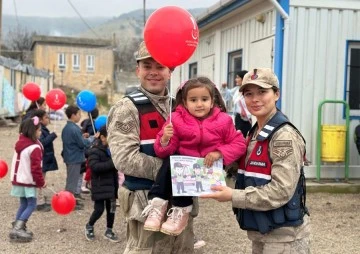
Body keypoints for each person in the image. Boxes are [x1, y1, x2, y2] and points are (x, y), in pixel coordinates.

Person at [201, 68, 311, 253]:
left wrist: (233, 196)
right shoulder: (254, 133)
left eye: (262, 92)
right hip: (263, 232)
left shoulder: (283, 136)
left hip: (284, 237)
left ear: (276, 94)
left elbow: (281, 190)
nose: (255, 99)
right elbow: (247, 169)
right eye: (249, 94)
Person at [107, 41, 197, 253]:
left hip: (179, 206)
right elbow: (124, 159)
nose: (154, 72)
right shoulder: (126, 109)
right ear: (138, 70)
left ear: (170, 71)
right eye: (147, 66)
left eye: (160, 67)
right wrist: (174, 173)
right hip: (145, 203)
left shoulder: (182, 107)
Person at [141, 77, 247, 236]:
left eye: (204, 99)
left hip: (208, 169)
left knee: (176, 163)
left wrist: (219, 153)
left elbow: (239, 144)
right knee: (172, 160)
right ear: (184, 102)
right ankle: (158, 204)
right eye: (193, 100)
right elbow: (163, 152)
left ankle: (182, 208)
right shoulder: (176, 119)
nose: (199, 104)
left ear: (212, 101)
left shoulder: (224, 120)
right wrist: (164, 139)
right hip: (184, 168)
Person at [9, 116, 46, 242]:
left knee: (23, 203)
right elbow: (36, 169)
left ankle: (17, 227)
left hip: (18, 179)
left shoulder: (21, 143)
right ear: (33, 131)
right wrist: (41, 182)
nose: (40, 132)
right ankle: (18, 228)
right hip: (28, 180)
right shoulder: (34, 148)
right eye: (39, 130)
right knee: (31, 204)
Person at [84, 126, 120, 242]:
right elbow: (94, 167)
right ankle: (89, 225)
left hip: (112, 185)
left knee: (112, 209)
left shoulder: (113, 149)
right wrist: (112, 163)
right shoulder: (95, 150)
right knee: (99, 209)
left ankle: (109, 230)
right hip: (100, 185)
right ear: (103, 137)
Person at [61, 105, 94, 210]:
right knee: (72, 182)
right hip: (74, 158)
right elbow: (82, 144)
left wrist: (82, 137)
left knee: (72, 180)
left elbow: (75, 140)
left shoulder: (68, 127)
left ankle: (71, 201)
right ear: (73, 115)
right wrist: (93, 138)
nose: (80, 116)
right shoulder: (74, 128)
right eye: (79, 114)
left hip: (70, 157)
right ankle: (68, 203)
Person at [31, 109, 58, 212]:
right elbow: (42, 142)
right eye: (46, 117)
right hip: (43, 159)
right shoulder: (39, 130)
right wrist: (52, 136)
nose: (48, 119)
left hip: (45, 158)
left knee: (41, 178)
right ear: (40, 120)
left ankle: (40, 198)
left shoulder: (43, 128)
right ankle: (39, 201)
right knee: (39, 180)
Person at [233, 70, 252, 138]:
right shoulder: (237, 90)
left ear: (243, 78)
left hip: (246, 119)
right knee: (238, 137)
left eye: (238, 77)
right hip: (238, 118)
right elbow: (227, 95)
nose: (236, 79)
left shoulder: (248, 91)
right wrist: (224, 88)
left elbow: (250, 104)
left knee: (244, 138)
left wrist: (247, 114)